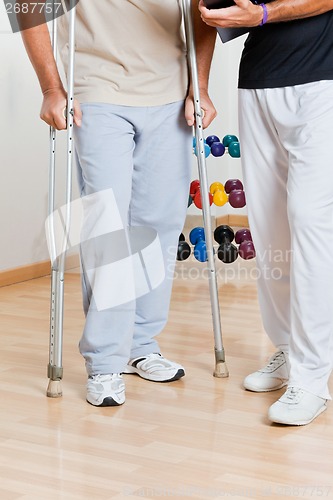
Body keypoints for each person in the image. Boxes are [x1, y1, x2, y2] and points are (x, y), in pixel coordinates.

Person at [20, 1, 217, 407]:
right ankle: (106, 359)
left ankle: (141, 343)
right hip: (97, 88)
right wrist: (51, 88)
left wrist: (200, 85)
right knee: (108, 226)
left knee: (159, 222)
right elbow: (27, 6)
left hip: (170, 90)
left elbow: (205, 9)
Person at [199, 0, 333, 425]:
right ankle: (288, 348)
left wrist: (262, 14)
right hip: (257, 80)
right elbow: (214, 11)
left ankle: (312, 377)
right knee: (269, 228)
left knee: (311, 223)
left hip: (322, 80)